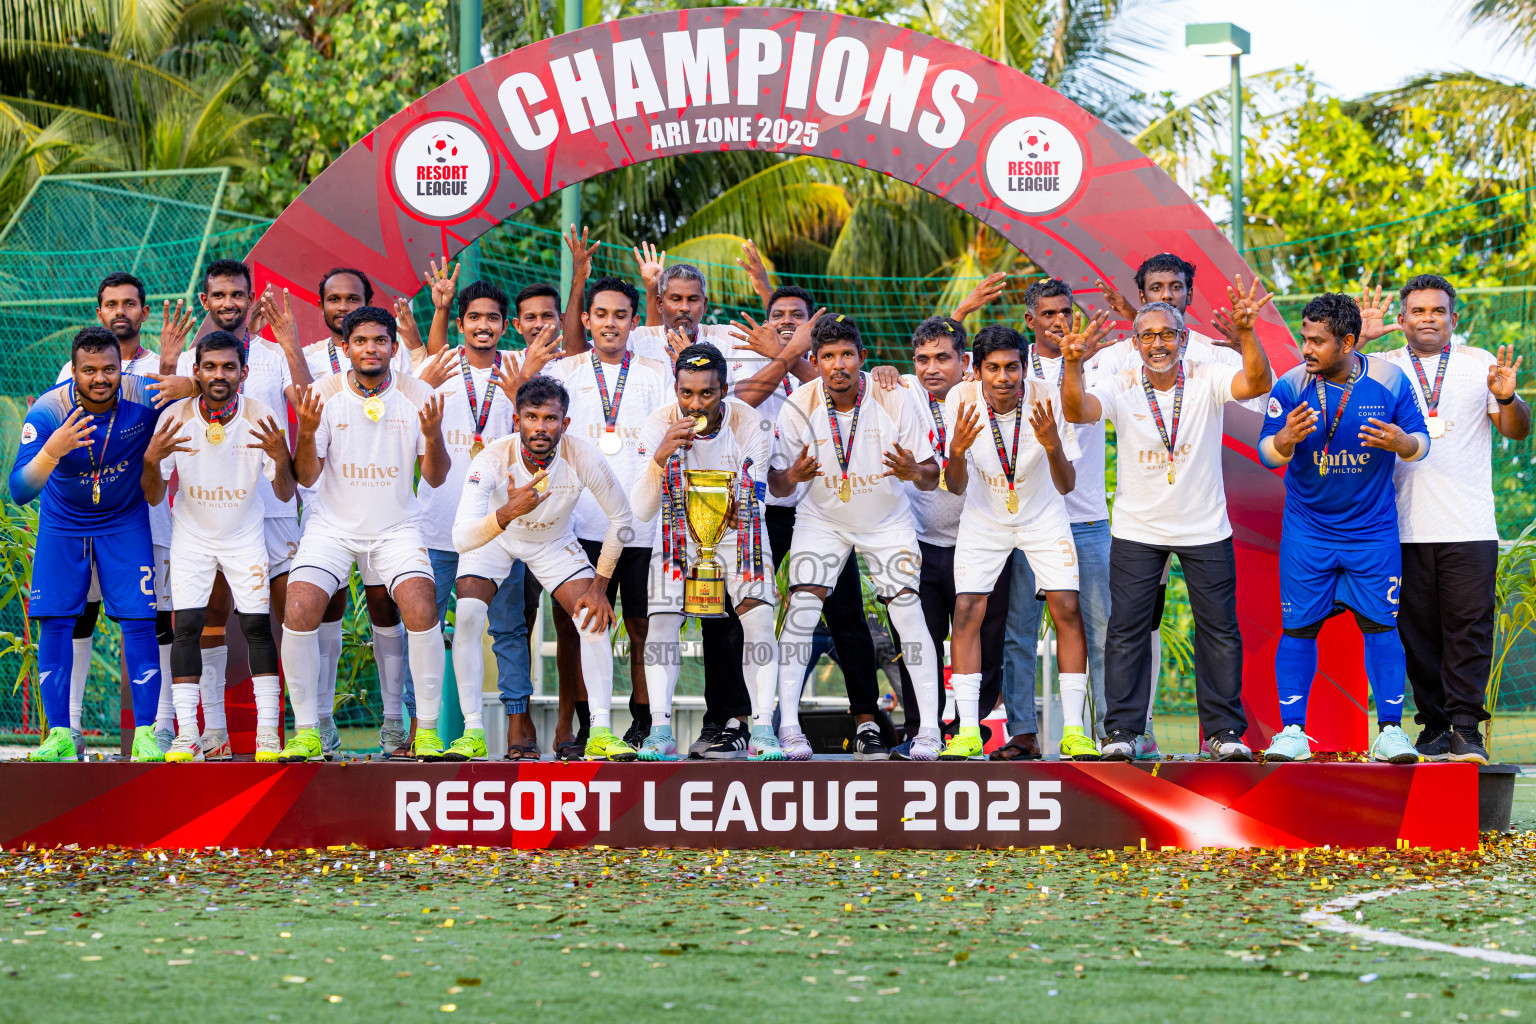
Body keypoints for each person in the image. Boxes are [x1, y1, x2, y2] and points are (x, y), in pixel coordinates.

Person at [1061, 279, 1276, 762]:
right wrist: (1073, 363)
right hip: (1138, 530)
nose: (1158, 343)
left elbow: (1257, 384)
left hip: (1206, 528)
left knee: (1218, 630)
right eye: (1148, 336)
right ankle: (1121, 732)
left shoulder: (1207, 375)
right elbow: (1078, 409)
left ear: (1183, 339)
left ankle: (1223, 734)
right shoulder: (1118, 383)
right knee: (1126, 632)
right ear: (1136, 344)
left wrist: (1246, 334)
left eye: (1168, 334)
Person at [1258, 292, 1434, 764]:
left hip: (1372, 533)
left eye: (1317, 341)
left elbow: (1422, 442)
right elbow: (1267, 454)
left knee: (1381, 626)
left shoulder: (1390, 380)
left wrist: (1403, 442)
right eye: (1304, 338)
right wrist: (1286, 439)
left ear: (1348, 341)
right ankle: (1292, 732)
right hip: (1308, 531)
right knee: (1297, 628)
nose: (1306, 349)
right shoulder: (1292, 385)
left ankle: (1391, 733)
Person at [505, 275, 669, 756]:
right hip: (576, 527)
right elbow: (527, 414)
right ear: (585, 319)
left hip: (640, 524)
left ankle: (642, 724)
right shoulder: (566, 371)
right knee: (577, 629)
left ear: (634, 322)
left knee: (641, 627)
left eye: (621, 315)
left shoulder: (658, 373)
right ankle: (583, 728)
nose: (611, 323)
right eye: (602, 314)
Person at [770, 314, 944, 760]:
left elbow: (930, 474)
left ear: (862, 358)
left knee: (907, 611)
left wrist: (913, 471)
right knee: (803, 606)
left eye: (847, 354)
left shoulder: (893, 395)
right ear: (815, 361)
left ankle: (929, 733)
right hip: (822, 519)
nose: (838, 364)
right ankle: (788, 729)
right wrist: (791, 474)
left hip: (886, 520)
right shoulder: (798, 404)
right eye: (828, 357)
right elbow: (778, 485)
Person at [278, 306, 450, 762]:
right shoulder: (324, 394)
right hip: (332, 528)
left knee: (419, 606)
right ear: (346, 347)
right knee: (298, 608)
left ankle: (423, 731)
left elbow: (434, 477)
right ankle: (308, 731)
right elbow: (307, 478)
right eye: (361, 341)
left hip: (396, 528)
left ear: (394, 348)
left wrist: (433, 437)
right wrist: (308, 432)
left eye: (380, 341)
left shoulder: (419, 393)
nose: (371, 349)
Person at [160, 260, 311, 761]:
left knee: (280, 619)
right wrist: (174, 373)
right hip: (212, 511)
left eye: (237, 295)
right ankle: (213, 733)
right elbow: (168, 415)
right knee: (209, 619)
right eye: (219, 295)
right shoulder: (188, 361)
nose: (229, 303)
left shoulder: (272, 353)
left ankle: (305, 727)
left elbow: (307, 403)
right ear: (206, 301)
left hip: (269, 503)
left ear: (251, 300)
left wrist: (290, 343)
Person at [1381, 276, 1530, 764]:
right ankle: (1434, 728)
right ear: (1402, 319)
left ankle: (1467, 728)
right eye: (1418, 310)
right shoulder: (1382, 369)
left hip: (1469, 525)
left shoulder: (1481, 363)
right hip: (1401, 526)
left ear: (1454, 319)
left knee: (1469, 629)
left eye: (1438, 310)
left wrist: (1508, 398)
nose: (1428, 317)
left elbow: (1517, 431)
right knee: (1416, 633)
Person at [452, 376, 638, 761]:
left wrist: (600, 586)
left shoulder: (581, 454)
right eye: (531, 417)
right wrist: (507, 513)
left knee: (592, 616)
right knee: (469, 614)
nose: (540, 427)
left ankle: (601, 730)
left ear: (564, 423)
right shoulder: (491, 457)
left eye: (550, 418)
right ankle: (473, 731)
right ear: (517, 420)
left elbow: (622, 516)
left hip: (552, 541)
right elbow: (461, 539)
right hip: (496, 538)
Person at [11, 326, 168, 761]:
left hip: (124, 520)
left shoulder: (143, 394)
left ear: (123, 367)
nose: (101, 379)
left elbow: (197, 395)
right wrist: (52, 451)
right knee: (55, 621)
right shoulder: (48, 410)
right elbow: (20, 489)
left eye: (109, 369)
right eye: (90, 370)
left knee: (139, 620)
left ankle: (146, 734)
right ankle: (60, 734)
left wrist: (179, 374)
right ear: (73, 372)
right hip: (64, 524)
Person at [54, 272, 193, 758]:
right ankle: (68, 731)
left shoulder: (163, 368)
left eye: (129, 304)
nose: (120, 312)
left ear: (144, 313)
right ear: (99, 313)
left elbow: (173, 443)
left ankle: (161, 731)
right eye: (111, 304)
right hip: (86, 524)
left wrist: (177, 368)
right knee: (79, 617)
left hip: (149, 521)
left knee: (156, 623)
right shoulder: (72, 373)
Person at [141, 330, 295, 761]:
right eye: (210, 366)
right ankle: (189, 734)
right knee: (186, 629)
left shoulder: (260, 414)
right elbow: (154, 495)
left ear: (243, 373)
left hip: (244, 536)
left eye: (229, 366)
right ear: (196, 372)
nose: (219, 374)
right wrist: (152, 460)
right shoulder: (175, 416)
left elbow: (283, 493)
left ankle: (268, 735)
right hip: (190, 536)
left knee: (257, 629)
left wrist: (282, 457)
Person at [943, 325, 1090, 760]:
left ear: (1025, 367)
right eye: (993, 368)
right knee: (968, 608)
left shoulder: (1048, 397)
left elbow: (1066, 485)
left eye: (1012, 367)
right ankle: (969, 729)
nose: (1003, 377)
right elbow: (954, 486)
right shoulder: (960, 400)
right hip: (985, 517)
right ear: (977, 369)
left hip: (1043, 515)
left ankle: (1075, 732)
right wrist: (955, 451)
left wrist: (1052, 448)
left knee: (1066, 605)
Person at [871, 318, 1013, 755]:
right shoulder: (903, 392)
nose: (932, 368)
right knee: (918, 644)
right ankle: (921, 730)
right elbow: (843, 379)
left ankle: (976, 729)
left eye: (943, 358)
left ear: (965, 362)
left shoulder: (985, 392)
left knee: (988, 642)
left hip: (982, 538)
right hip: (919, 542)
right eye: (922, 359)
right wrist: (879, 374)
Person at [291, 268, 417, 757]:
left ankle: (394, 722)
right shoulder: (306, 363)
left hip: (388, 516)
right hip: (327, 511)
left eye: (353, 299)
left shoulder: (393, 356)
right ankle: (319, 723)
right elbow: (307, 425)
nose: (342, 307)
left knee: (389, 610)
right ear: (321, 306)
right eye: (334, 299)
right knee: (323, 613)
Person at [406, 279, 529, 761]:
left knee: (509, 629)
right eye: (474, 318)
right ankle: (422, 726)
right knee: (425, 628)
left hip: (497, 528)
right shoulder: (435, 370)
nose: (483, 326)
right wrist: (424, 387)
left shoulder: (517, 368)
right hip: (436, 524)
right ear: (460, 325)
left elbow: (535, 436)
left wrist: (519, 396)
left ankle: (518, 726)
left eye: (492, 318)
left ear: (504, 325)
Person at [1009, 278, 1121, 756]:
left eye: (1066, 312)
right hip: (1028, 520)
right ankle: (1022, 735)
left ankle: (1109, 734)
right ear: (1030, 320)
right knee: (1020, 632)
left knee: (1100, 632)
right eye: (1049, 314)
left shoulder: (1096, 364)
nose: (1060, 322)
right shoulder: (1010, 369)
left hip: (1086, 519)